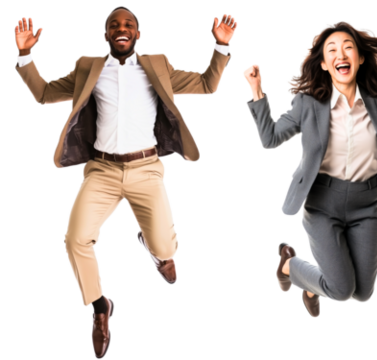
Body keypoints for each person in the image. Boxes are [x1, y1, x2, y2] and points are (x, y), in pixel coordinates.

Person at [13, 6, 238, 359]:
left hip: (146, 169)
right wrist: (25, 54)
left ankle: (155, 251)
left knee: (166, 249)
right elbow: (43, 93)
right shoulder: (87, 67)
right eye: (114, 25)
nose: (122, 29)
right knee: (75, 240)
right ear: (105, 36)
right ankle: (100, 307)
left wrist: (221, 46)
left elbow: (208, 85)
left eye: (128, 25)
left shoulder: (158, 66)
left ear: (138, 35)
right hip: (101, 171)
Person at [241, 20, 377, 318]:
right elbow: (271, 139)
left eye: (348, 47)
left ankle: (312, 286)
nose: (341, 54)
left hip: (367, 204)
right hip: (322, 204)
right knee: (340, 291)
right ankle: (289, 265)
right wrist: (257, 88)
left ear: (360, 58)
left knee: (363, 294)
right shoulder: (308, 104)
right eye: (332, 50)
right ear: (325, 64)